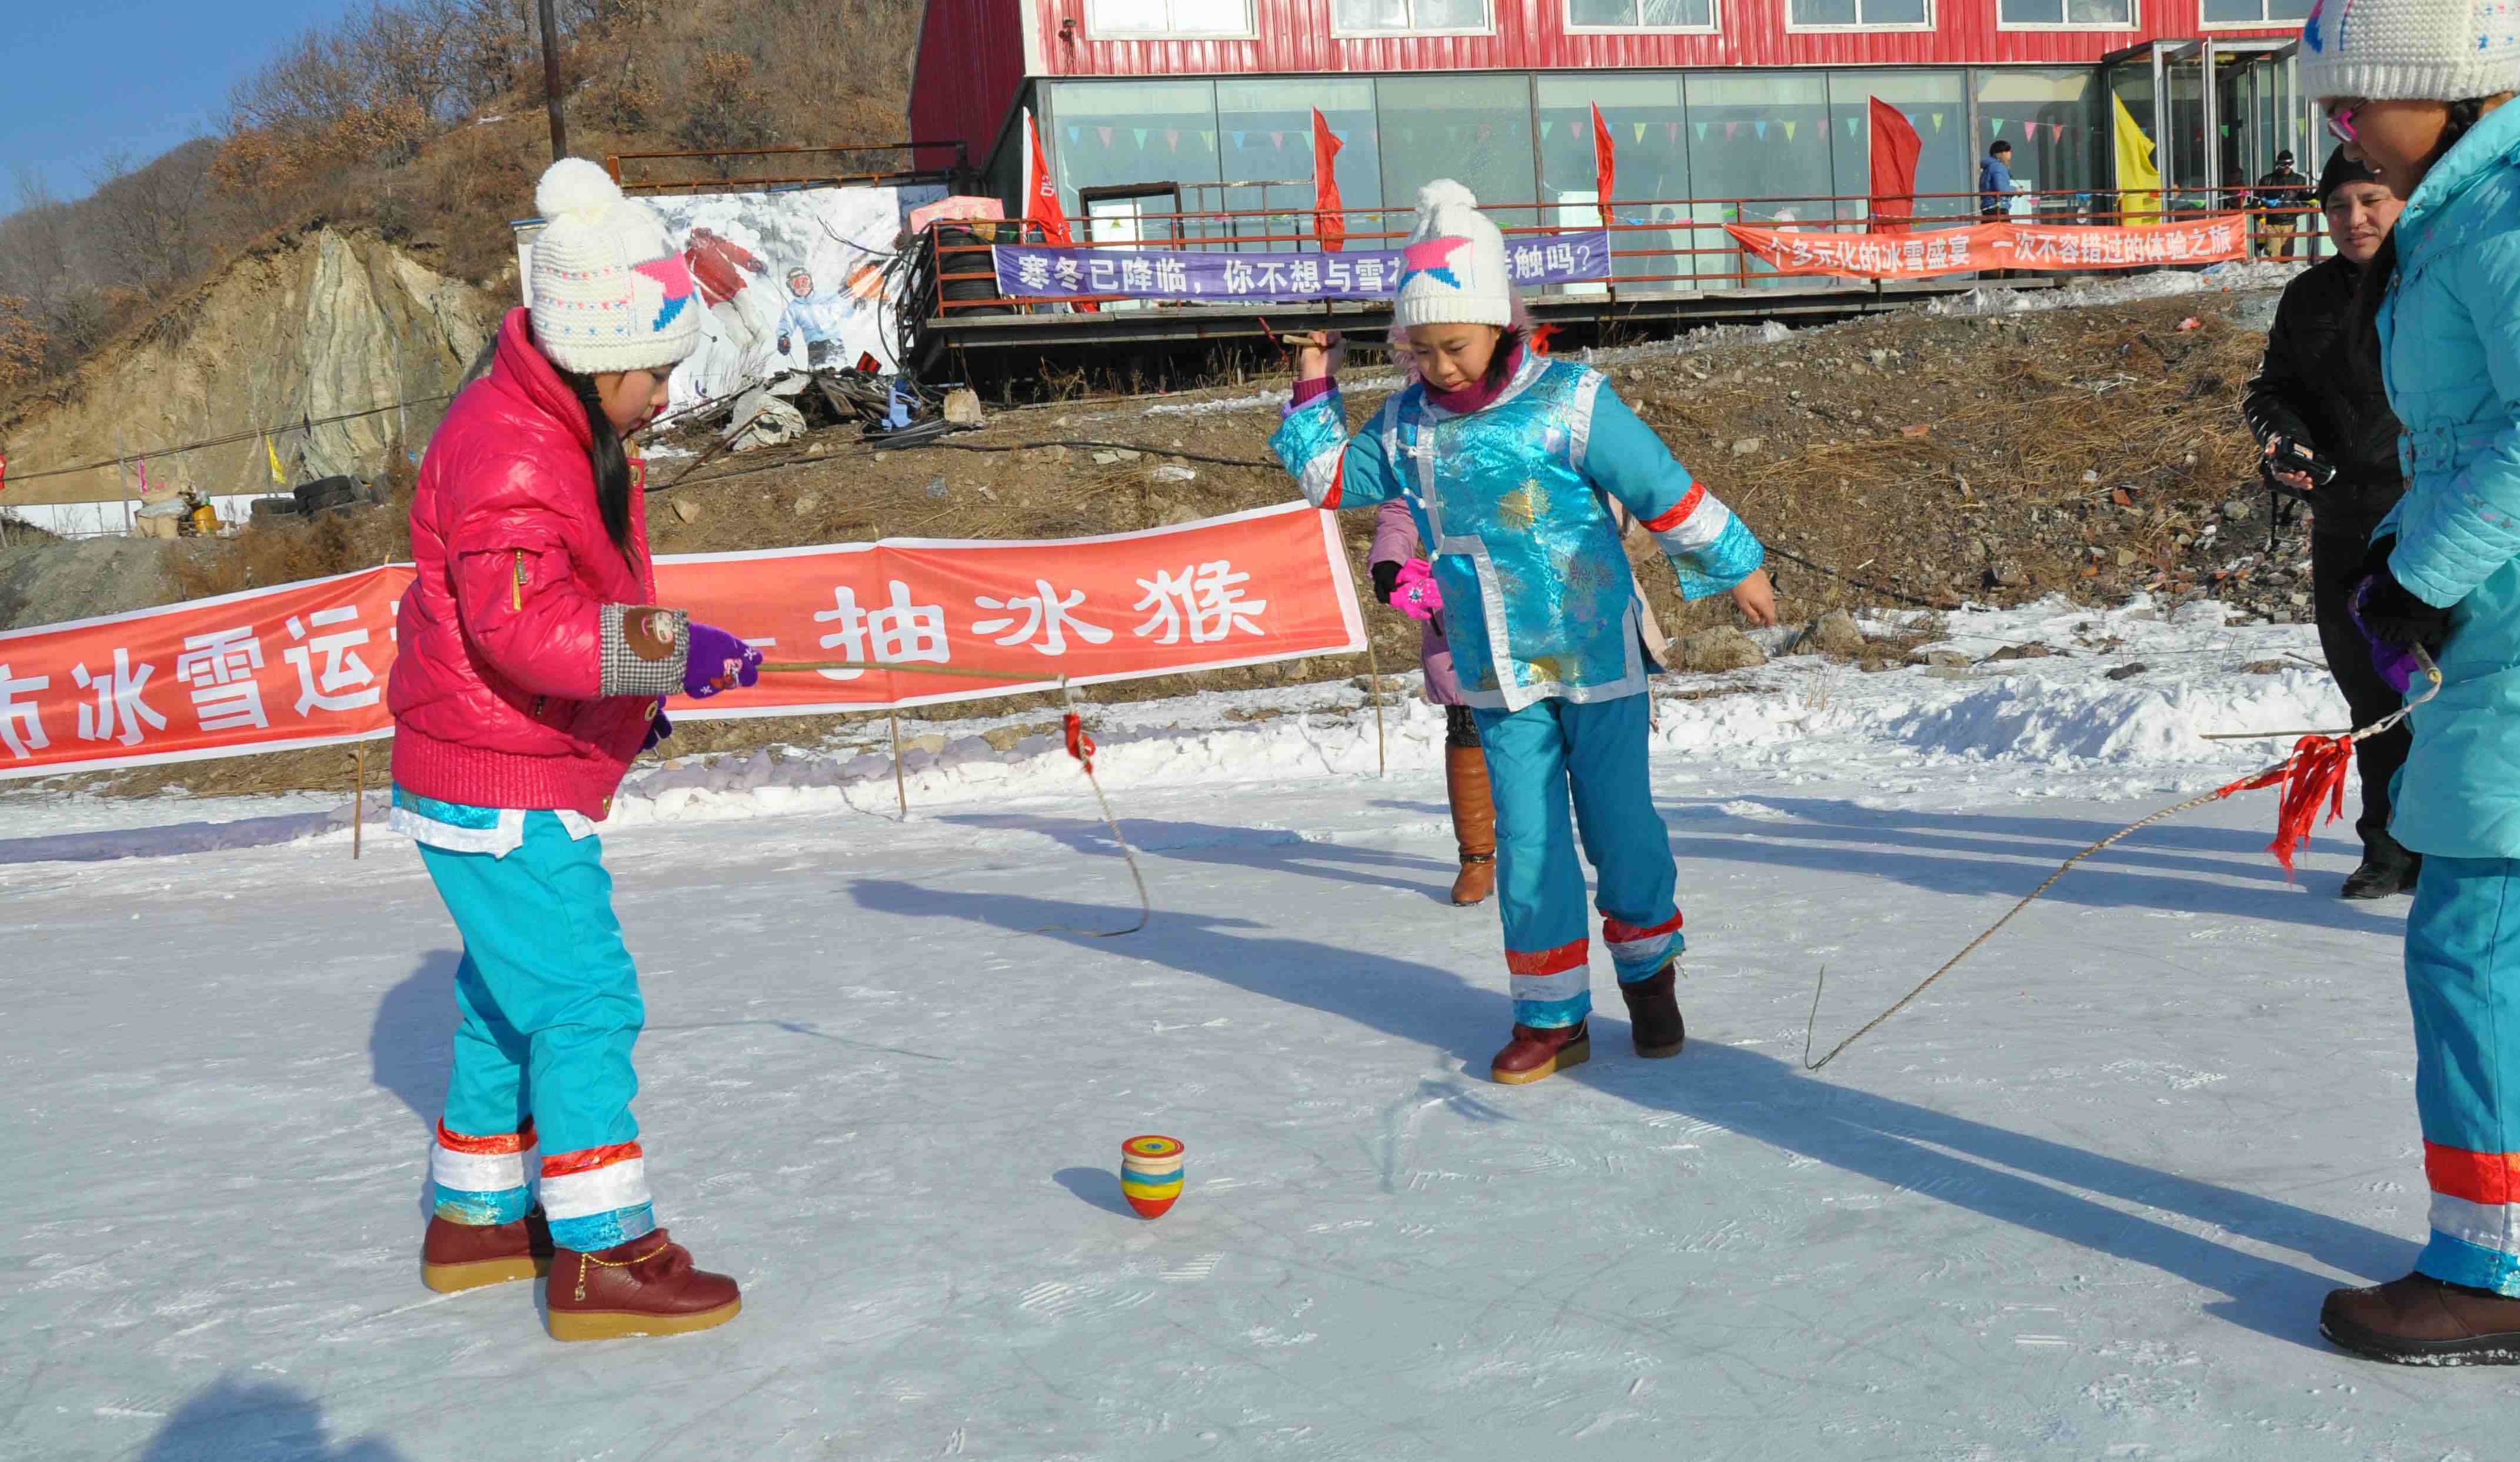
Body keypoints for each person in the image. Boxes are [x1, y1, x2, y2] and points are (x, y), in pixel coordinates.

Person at [1274, 180, 1779, 1086]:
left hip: (1596, 651)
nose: (1440, 367)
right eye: (1419, 350)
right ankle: (1550, 1015)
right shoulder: (1403, 428)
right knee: (1532, 838)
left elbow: (1658, 483)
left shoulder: (1570, 400)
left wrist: (1735, 563)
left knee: (1621, 826)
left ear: (1500, 325)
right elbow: (1324, 479)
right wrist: (1315, 375)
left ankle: (1649, 978)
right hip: (1496, 667)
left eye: (1454, 345)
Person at [387, 157, 765, 1343]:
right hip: (495, 778)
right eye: (656, 373)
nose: (663, 395)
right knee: (587, 998)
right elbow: (524, 628)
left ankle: (480, 1218)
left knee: (510, 1003)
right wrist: (667, 647)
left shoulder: (550, 419)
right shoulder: (513, 447)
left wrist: (661, 671)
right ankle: (603, 1251)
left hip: (486, 763)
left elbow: (561, 599)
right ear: (599, 352)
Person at [2304, 0, 2520, 1364]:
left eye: (2350, 107)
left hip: (2506, 631)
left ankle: (2485, 1264)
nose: (2336, 133)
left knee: (2469, 937)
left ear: (2434, 92)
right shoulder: (2468, 213)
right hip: (2488, 624)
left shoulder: (2495, 225)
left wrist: (2423, 574)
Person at [2242, 147, 2414, 899]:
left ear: (2403, 199)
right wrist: (2280, 442)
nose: (2354, 219)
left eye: (2371, 199)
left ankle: (2465, 844)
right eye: (2338, 206)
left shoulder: (2437, 281)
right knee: (2369, 692)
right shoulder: (2307, 297)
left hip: (2434, 515)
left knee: (2451, 688)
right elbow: (2270, 389)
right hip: (2344, 521)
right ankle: (2389, 847)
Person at [1370, 500, 1497, 906]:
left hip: (1535, 594)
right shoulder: (1414, 438)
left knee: (1547, 734)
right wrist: (1389, 560)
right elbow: (1400, 510)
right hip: (1457, 601)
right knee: (1467, 727)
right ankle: (1477, 858)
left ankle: (1540, 854)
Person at [775, 266, 853, 367]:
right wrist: (783, 338)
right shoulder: (794, 308)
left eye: (804, 281)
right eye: (796, 283)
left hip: (834, 342)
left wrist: (854, 305)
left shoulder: (825, 298)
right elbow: (786, 324)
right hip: (814, 346)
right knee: (818, 376)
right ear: (791, 287)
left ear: (811, 282)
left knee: (839, 370)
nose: (801, 286)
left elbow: (845, 311)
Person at [2254, 149, 2316, 259]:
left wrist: (2317, 196)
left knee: (2287, 256)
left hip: (2290, 223)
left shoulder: (2299, 180)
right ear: (2278, 164)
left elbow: (2305, 198)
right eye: (2283, 164)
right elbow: (2257, 201)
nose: (2287, 167)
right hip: (2271, 223)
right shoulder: (2267, 180)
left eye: (2290, 163)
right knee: (2274, 256)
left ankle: (2287, 276)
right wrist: (2261, 219)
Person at [1978, 140, 2017, 220]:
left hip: (1988, 208)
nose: (2011, 154)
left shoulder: (1988, 168)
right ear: (2003, 153)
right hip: (1998, 209)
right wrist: (2016, 190)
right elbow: (2002, 189)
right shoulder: (1998, 167)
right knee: (2005, 231)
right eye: (2009, 151)